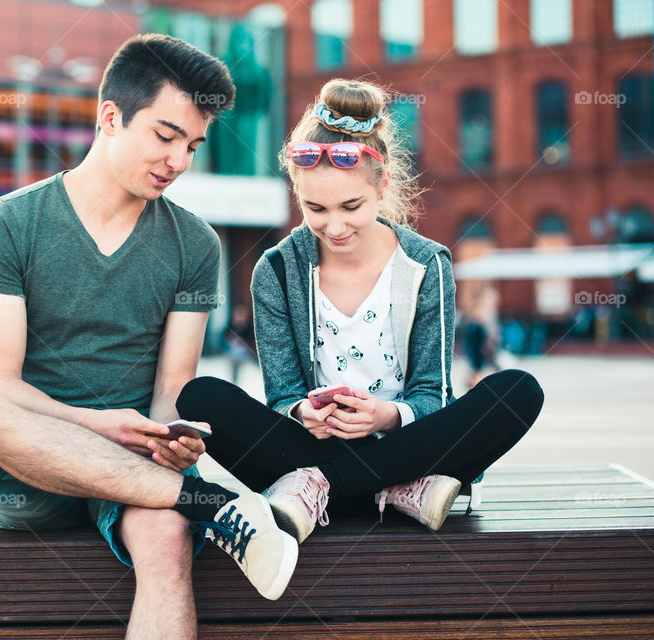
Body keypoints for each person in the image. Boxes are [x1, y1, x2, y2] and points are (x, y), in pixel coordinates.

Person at [0, 34, 298, 640]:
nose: (179, 160)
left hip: (137, 467)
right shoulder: (11, 223)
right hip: (25, 472)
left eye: (193, 145)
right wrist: (102, 424)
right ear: (110, 117)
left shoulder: (196, 244)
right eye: (165, 135)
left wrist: (173, 440)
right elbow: (0, 384)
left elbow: (172, 388)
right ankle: (213, 507)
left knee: (168, 546)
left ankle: (193, 504)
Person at [176, 78, 544, 543]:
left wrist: (386, 417)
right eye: (315, 208)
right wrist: (301, 413)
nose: (334, 226)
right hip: (315, 447)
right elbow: (283, 394)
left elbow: (433, 393)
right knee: (202, 397)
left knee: (519, 392)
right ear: (296, 194)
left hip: (405, 445)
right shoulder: (277, 270)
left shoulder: (425, 265)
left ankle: (324, 490)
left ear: (383, 184)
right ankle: (401, 491)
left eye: (351, 205)